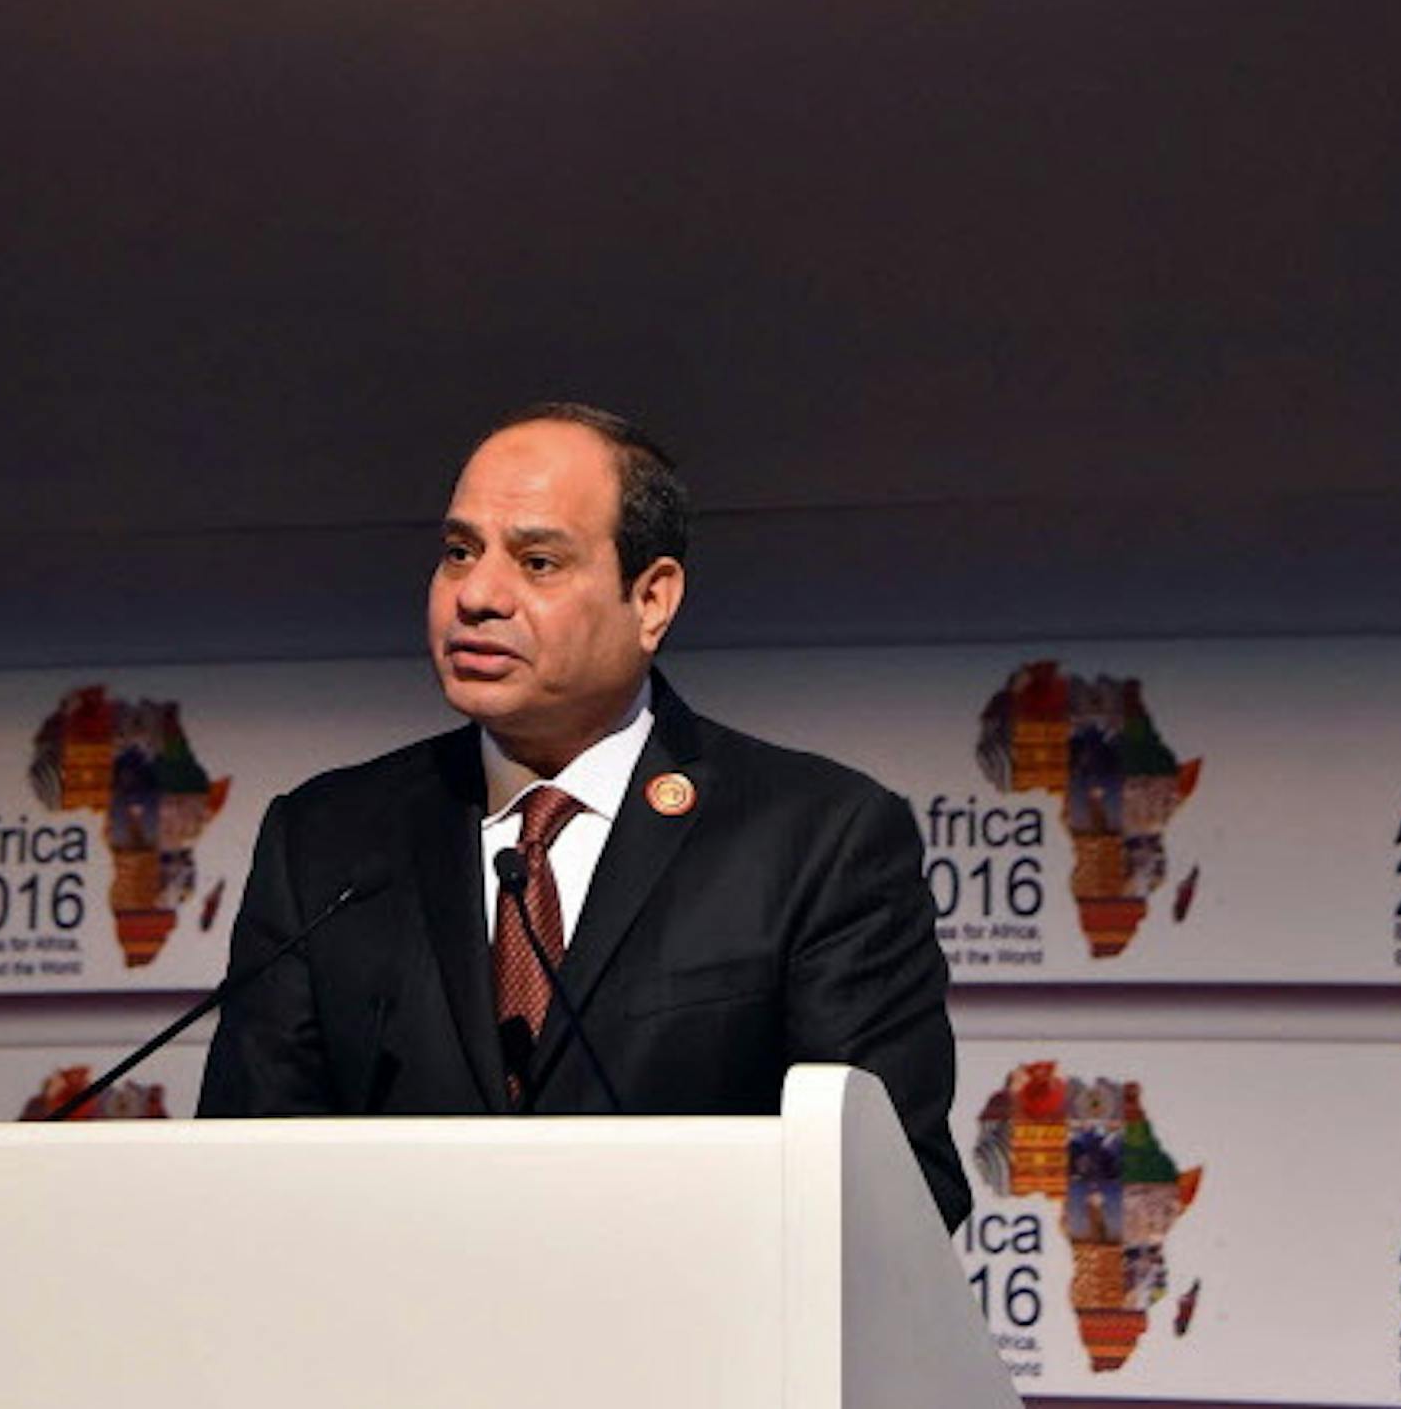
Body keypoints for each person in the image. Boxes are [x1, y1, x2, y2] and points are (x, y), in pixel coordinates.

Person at [197, 403, 969, 1230]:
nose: (478, 596)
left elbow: (900, 1190)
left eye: (537, 562)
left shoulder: (817, 838)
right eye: (458, 553)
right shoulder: (325, 841)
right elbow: (243, 1171)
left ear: (651, 600)